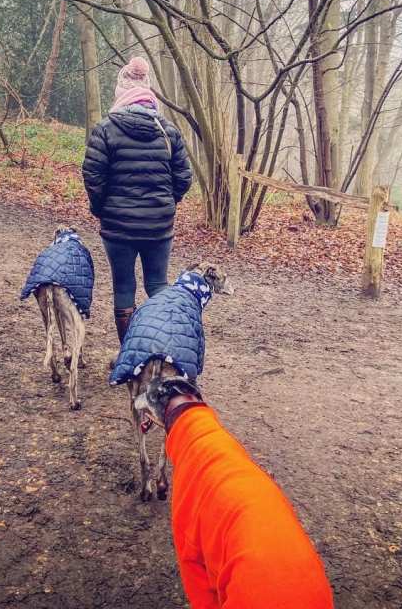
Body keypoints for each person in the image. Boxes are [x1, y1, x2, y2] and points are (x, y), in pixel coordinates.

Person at [134, 376, 335, 608]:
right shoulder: (227, 449)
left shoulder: (191, 474)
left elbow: (194, 568)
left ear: (157, 416)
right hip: (315, 591)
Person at [82, 56, 192, 341]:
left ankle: (130, 356)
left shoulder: (105, 130)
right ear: (148, 92)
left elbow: (93, 178)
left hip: (117, 227)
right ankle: (163, 348)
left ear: (121, 91)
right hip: (159, 227)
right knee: (158, 285)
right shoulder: (169, 132)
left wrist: (102, 210)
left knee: (123, 288)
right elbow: (183, 178)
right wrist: (165, 205)